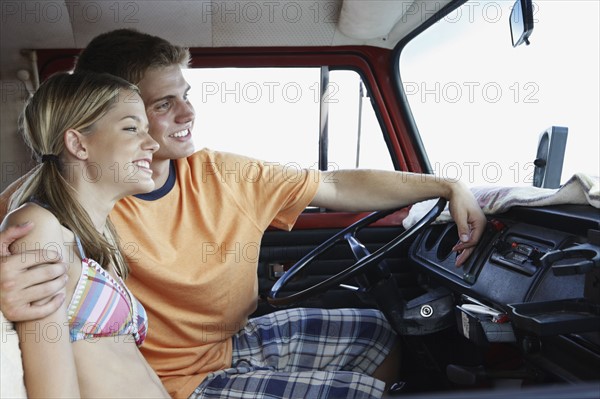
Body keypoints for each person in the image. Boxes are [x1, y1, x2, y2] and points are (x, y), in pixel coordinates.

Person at [0, 29, 487, 398]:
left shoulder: (221, 174)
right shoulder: (61, 198)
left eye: (185, 96)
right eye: (163, 104)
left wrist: (445, 185)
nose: (188, 114)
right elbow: (27, 246)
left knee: (376, 332)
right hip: (173, 382)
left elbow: (336, 183)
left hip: (227, 344)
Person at [1, 71, 168, 398]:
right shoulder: (38, 227)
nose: (153, 143)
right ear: (78, 143)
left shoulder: (99, 237)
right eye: (132, 128)